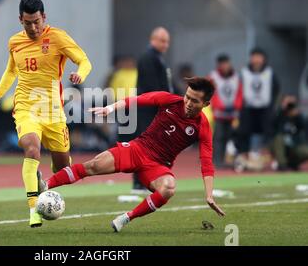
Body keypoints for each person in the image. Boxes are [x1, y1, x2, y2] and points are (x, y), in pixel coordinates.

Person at [41, 77, 225, 232]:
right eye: (187, 97)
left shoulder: (203, 127)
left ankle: (126, 218)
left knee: (169, 187)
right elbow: (137, 100)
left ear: (206, 104)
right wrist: (110, 108)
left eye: (195, 101)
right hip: (138, 149)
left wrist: (209, 195)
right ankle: (45, 185)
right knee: (94, 165)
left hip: (157, 166)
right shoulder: (169, 100)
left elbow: (206, 162)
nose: (188, 103)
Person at [0, 0, 92, 227]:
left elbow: (84, 60)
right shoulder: (15, 42)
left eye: (36, 21)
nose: (33, 27)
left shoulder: (58, 37)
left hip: (53, 110)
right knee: (31, 149)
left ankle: (43, 183)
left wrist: (81, 74)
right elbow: (11, 72)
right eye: (28, 23)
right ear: (20, 20)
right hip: (26, 105)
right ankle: (33, 209)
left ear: (44, 17)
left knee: (64, 169)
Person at [133, 27, 172, 194]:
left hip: (151, 109)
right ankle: (140, 182)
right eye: (162, 41)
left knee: (150, 146)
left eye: (167, 41)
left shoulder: (156, 58)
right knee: (145, 146)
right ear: (153, 39)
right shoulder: (149, 58)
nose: (166, 45)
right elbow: (153, 87)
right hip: (148, 110)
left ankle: (146, 181)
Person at [235, 48, 280, 170]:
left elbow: (276, 89)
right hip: (248, 108)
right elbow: (238, 88)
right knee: (244, 133)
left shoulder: (270, 72)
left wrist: (272, 105)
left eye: (259, 57)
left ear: (263, 59)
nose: (256, 60)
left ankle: (273, 159)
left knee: (269, 133)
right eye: (254, 57)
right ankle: (244, 158)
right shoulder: (244, 72)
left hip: (265, 109)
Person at [210, 54, 243, 168]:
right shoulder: (213, 76)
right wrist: (221, 106)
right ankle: (216, 160)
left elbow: (239, 93)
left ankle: (226, 160)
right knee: (219, 137)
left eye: (226, 63)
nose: (225, 66)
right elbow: (212, 93)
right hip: (219, 114)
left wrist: (236, 106)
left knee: (229, 138)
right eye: (222, 64)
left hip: (232, 114)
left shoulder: (236, 77)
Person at [270, 96, 308, 170]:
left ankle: (293, 164)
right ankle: (282, 165)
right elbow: (272, 125)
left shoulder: (297, 116)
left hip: (293, 145)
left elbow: (304, 127)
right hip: (278, 145)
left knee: (305, 151)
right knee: (279, 138)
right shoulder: (279, 114)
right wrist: (282, 109)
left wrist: (298, 116)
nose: (290, 106)